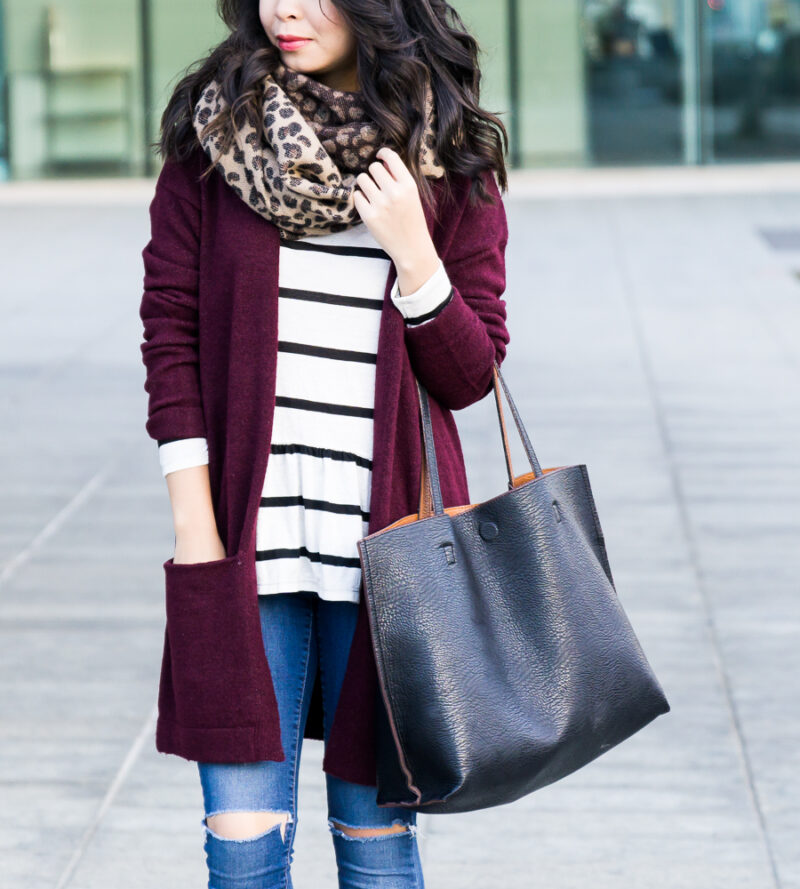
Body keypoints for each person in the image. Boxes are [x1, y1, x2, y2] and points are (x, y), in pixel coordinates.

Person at [138, 0, 510, 886]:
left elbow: (470, 375)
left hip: (390, 560)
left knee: (376, 848)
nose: (284, 9)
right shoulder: (214, 138)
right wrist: (196, 528)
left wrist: (416, 260)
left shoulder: (447, 160)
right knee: (242, 845)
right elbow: (171, 336)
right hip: (241, 549)